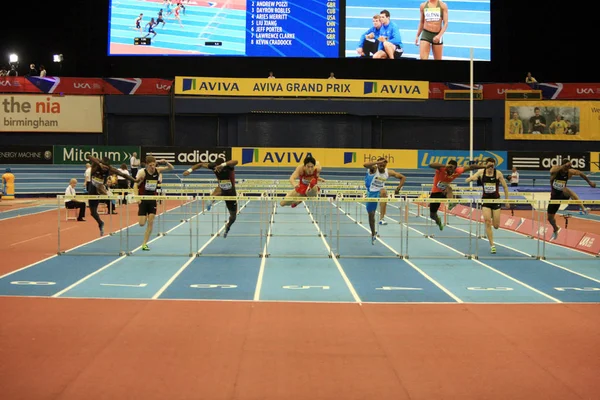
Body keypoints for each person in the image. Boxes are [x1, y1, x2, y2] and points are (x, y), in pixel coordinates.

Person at [183, 159, 239, 238]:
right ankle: (210, 200)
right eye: (216, 167)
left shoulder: (229, 166)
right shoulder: (213, 166)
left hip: (231, 192)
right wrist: (189, 170)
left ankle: (228, 226)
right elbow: (200, 164)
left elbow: (236, 161)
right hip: (221, 188)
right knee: (217, 191)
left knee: (233, 216)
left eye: (219, 167)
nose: (217, 169)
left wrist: (222, 165)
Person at [465, 158, 509, 254]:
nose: (490, 168)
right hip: (485, 201)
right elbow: (472, 178)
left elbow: (505, 187)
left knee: (496, 225)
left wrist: (507, 200)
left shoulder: (498, 173)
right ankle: (492, 245)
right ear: (486, 165)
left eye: (492, 166)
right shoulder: (481, 172)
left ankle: (494, 216)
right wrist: (469, 179)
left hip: (496, 200)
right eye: (488, 166)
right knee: (487, 222)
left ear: (494, 166)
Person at [428, 160, 486, 230]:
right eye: (449, 168)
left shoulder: (458, 171)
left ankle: (451, 203)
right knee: (432, 215)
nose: (451, 170)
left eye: (452, 169)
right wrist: (445, 166)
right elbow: (431, 165)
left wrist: (485, 166)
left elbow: (471, 167)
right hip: (436, 192)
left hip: (445, 191)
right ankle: (438, 220)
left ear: (455, 168)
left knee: (449, 188)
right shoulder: (441, 169)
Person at [133, 156, 174, 250]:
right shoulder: (142, 173)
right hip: (143, 199)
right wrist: (137, 198)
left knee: (150, 222)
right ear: (147, 165)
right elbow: (135, 186)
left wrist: (166, 162)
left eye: (154, 164)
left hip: (152, 199)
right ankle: (145, 216)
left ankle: (144, 244)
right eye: (151, 165)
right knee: (142, 223)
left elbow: (171, 168)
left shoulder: (157, 170)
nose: (152, 167)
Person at [547, 161, 596, 240]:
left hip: (562, 194)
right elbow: (551, 170)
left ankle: (583, 208)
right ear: (562, 165)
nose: (567, 169)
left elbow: (580, 173)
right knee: (550, 218)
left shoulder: (569, 172)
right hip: (554, 197)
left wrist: (589, 182)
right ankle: (555, 228)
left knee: (567, 190)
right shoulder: (555, 170)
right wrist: (564, 166)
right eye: (566, 167)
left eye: (569, 167)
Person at [88, 156, 136, 236]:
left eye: (106, 168)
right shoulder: (96, 164)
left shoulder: (110, 169)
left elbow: (123, 175)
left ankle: (107, 196)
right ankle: (100, 223)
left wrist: (134, 180)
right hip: (92, 189)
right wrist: (99, 163)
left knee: (102, 188)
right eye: (103, 167)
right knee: (93, 213)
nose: (104, 169)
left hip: (100, 188)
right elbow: (88, 156)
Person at [364, 158, 406, 244]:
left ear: (386, 165)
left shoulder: (388, 172)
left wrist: (398, 188)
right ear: (378, 164)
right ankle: (373, 233)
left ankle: (382, 218)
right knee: (371, 215)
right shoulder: (374, 169)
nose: (382, 166)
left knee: (383, 192)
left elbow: (403, 178)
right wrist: (377, 162)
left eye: (383, 165)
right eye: (380, 164)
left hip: (380, 190)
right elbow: (365, 165)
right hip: (371, 192)